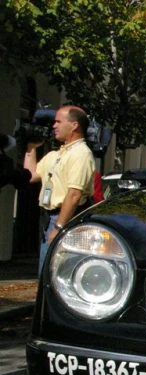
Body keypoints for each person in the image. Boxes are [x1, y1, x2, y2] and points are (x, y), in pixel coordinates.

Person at [23, 105, 95, 275]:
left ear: (74, 125)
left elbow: (74, 194)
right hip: (49, 219)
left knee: (57, 275)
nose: (53, 126)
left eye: (58, 122)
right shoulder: (57, 154)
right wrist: (31, 148)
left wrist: (58, 227)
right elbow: (31, 175)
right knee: (46, 274)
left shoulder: (81, 154)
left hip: (65, 219)